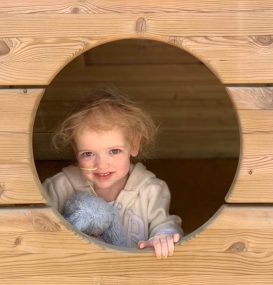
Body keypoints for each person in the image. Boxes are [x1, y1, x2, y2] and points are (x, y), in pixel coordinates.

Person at [42, 87, 183, 259]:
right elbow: (37, 223)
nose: (101, 164)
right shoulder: (59, 186)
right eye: (88, 154)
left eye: (114, 151)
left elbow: (165, 224)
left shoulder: (150, 189)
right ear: (75, 150)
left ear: (134, 145)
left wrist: (162, 237)